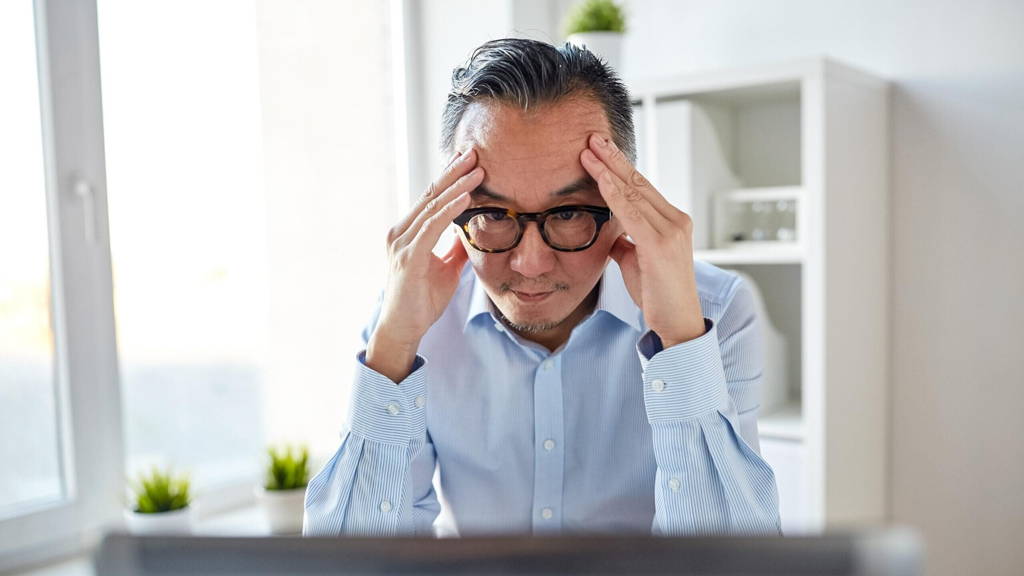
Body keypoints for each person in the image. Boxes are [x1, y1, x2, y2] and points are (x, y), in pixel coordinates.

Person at [304, 38, 780, 537]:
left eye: (570, 213)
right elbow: (350, 559)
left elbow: (734, 559)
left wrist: (680, 341)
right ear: (449, 208)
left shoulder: (715, 310)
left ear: (625, 205)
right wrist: (394, 349)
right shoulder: (409, 316)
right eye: (490, 214)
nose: (530, 263)